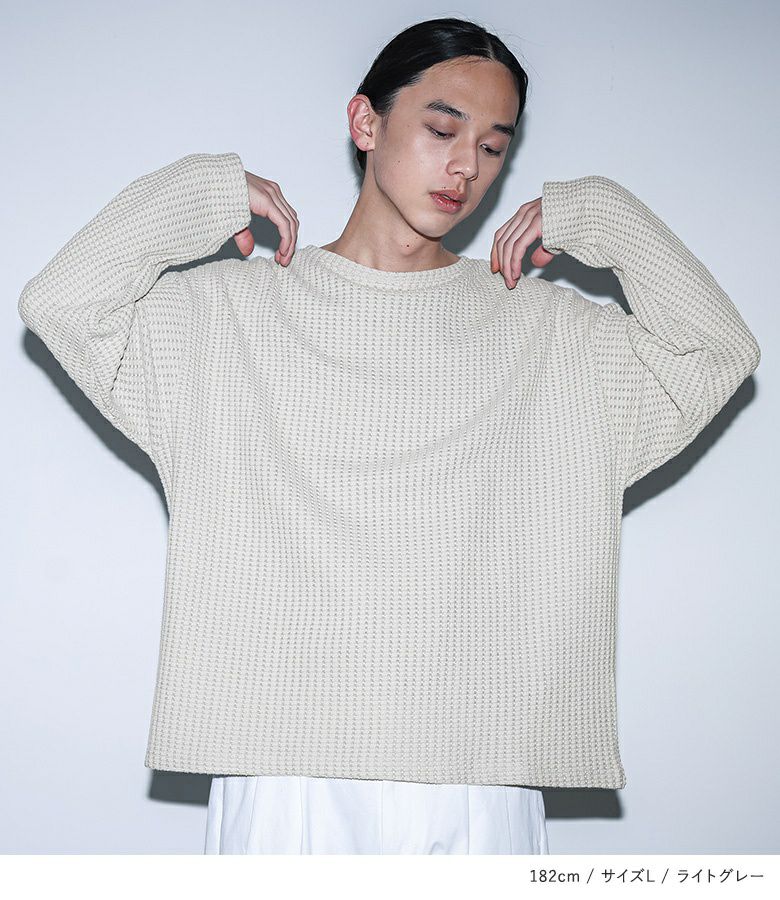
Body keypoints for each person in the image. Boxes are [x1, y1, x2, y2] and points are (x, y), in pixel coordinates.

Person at [17, 17, 760, 855]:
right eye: (442, 129)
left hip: (479, 772)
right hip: (281, 770)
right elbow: (62, 305)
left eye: (493, 146)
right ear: (365, 122)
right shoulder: (226, 316)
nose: (465, 166)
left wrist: (604, 216)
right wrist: (199, 194)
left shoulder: (552, 335)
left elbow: (717, 354)